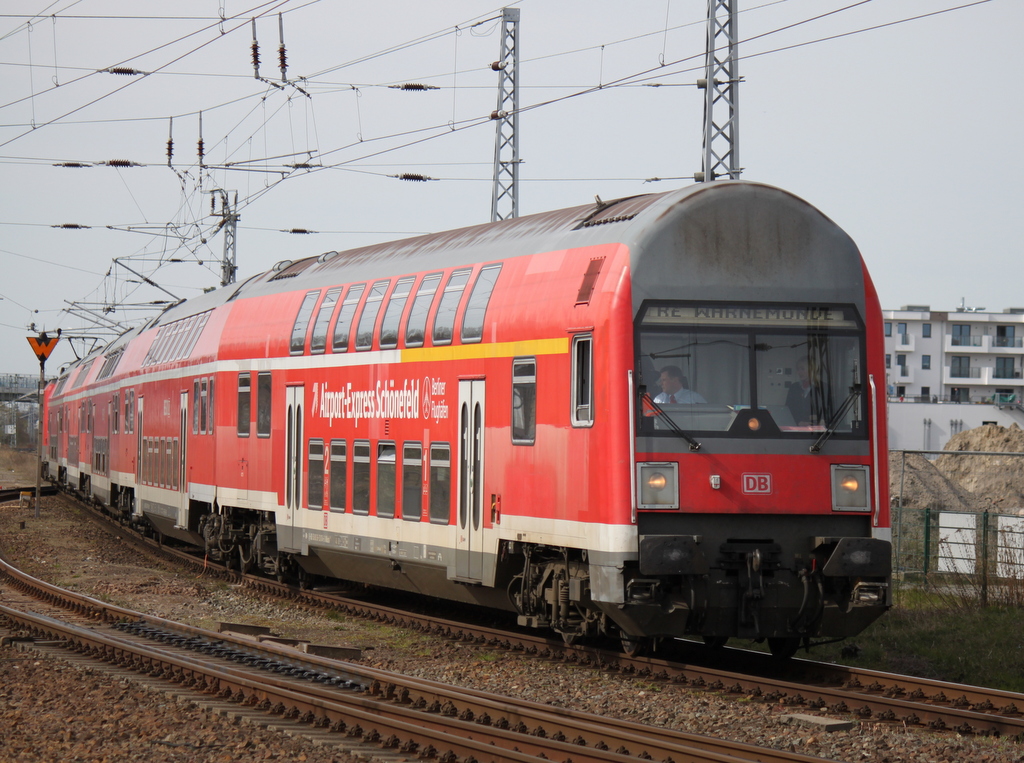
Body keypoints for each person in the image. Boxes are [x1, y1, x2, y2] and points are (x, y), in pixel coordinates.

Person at [786, 358, 820, 425]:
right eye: (798, 369)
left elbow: (827, 413)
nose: (799, 372)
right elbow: (788, 409)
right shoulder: (794, 387)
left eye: (802, 369)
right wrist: (799, 422)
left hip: (817, 429)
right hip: (796, 427)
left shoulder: (823, 388)